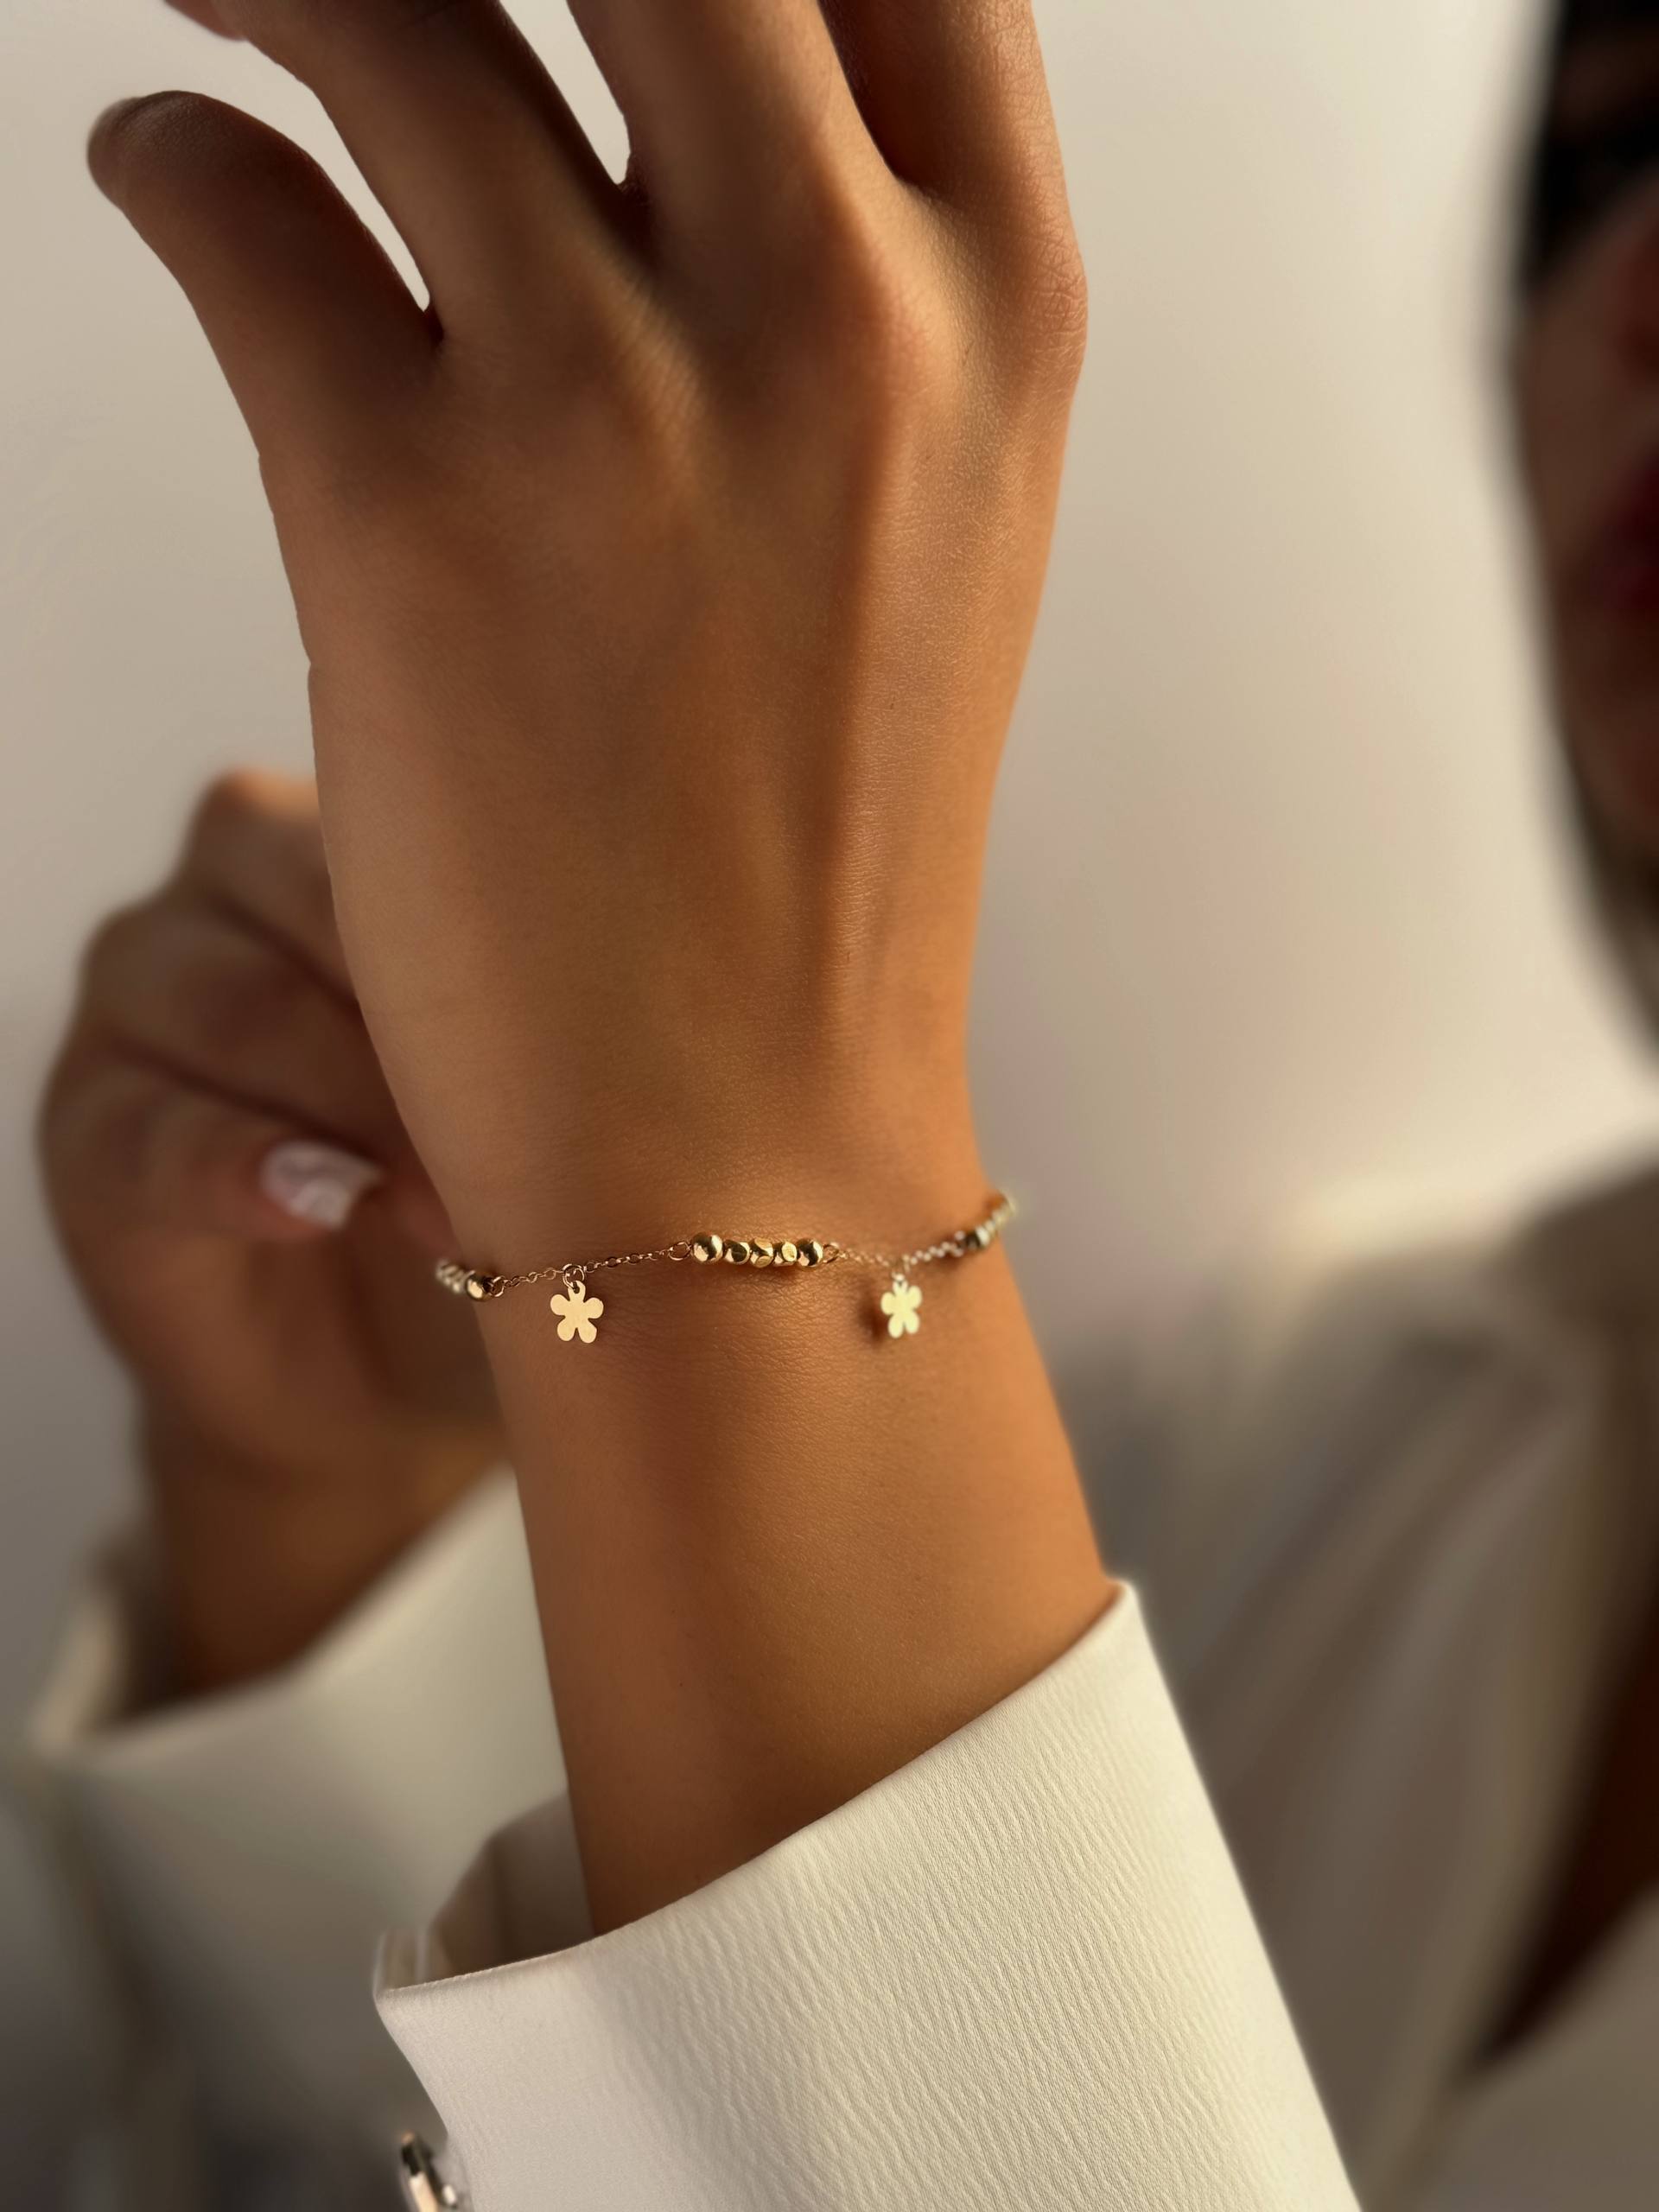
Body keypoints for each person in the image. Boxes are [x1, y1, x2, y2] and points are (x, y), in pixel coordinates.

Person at [13, 1, 1659, 2209]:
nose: (1643, 281)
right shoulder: (1300, 1425)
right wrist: (345, 1516)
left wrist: (757, 1145)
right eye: (1603, 162)